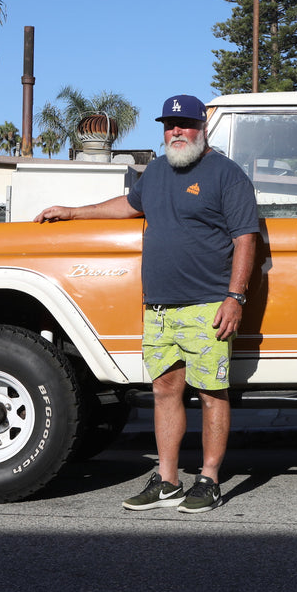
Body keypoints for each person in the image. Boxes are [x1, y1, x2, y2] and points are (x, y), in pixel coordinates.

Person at [35, 94, 259, 513]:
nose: (177, 131)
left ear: (202, 127)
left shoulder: (227, 175)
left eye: (186, 124)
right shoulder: (155, 172)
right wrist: (73, 212)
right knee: (164, 390)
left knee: (212, 392)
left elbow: (246, 237)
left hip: (206, 305)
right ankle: (168, 479)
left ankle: (209, 479)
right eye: (170, 125)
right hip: (158, 307)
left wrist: (234, 297)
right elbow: (128, 205)